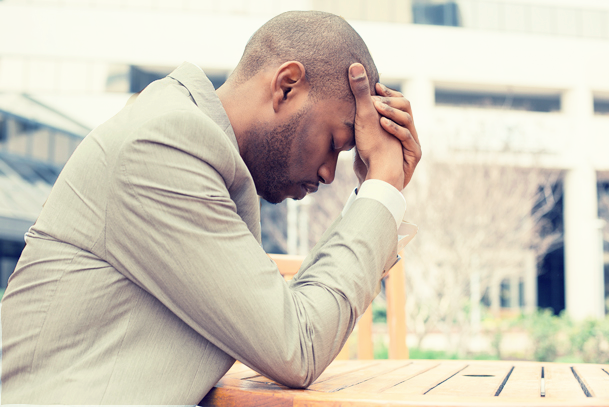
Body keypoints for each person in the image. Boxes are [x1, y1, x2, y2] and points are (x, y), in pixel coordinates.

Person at [0, 11, 421, 404]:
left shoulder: (190, 147)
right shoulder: (164, 145)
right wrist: (382, 188)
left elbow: (281, 318)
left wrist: (376, 193)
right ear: (287, 86)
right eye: (335, 143)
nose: (330, 173)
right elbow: (299, 344)